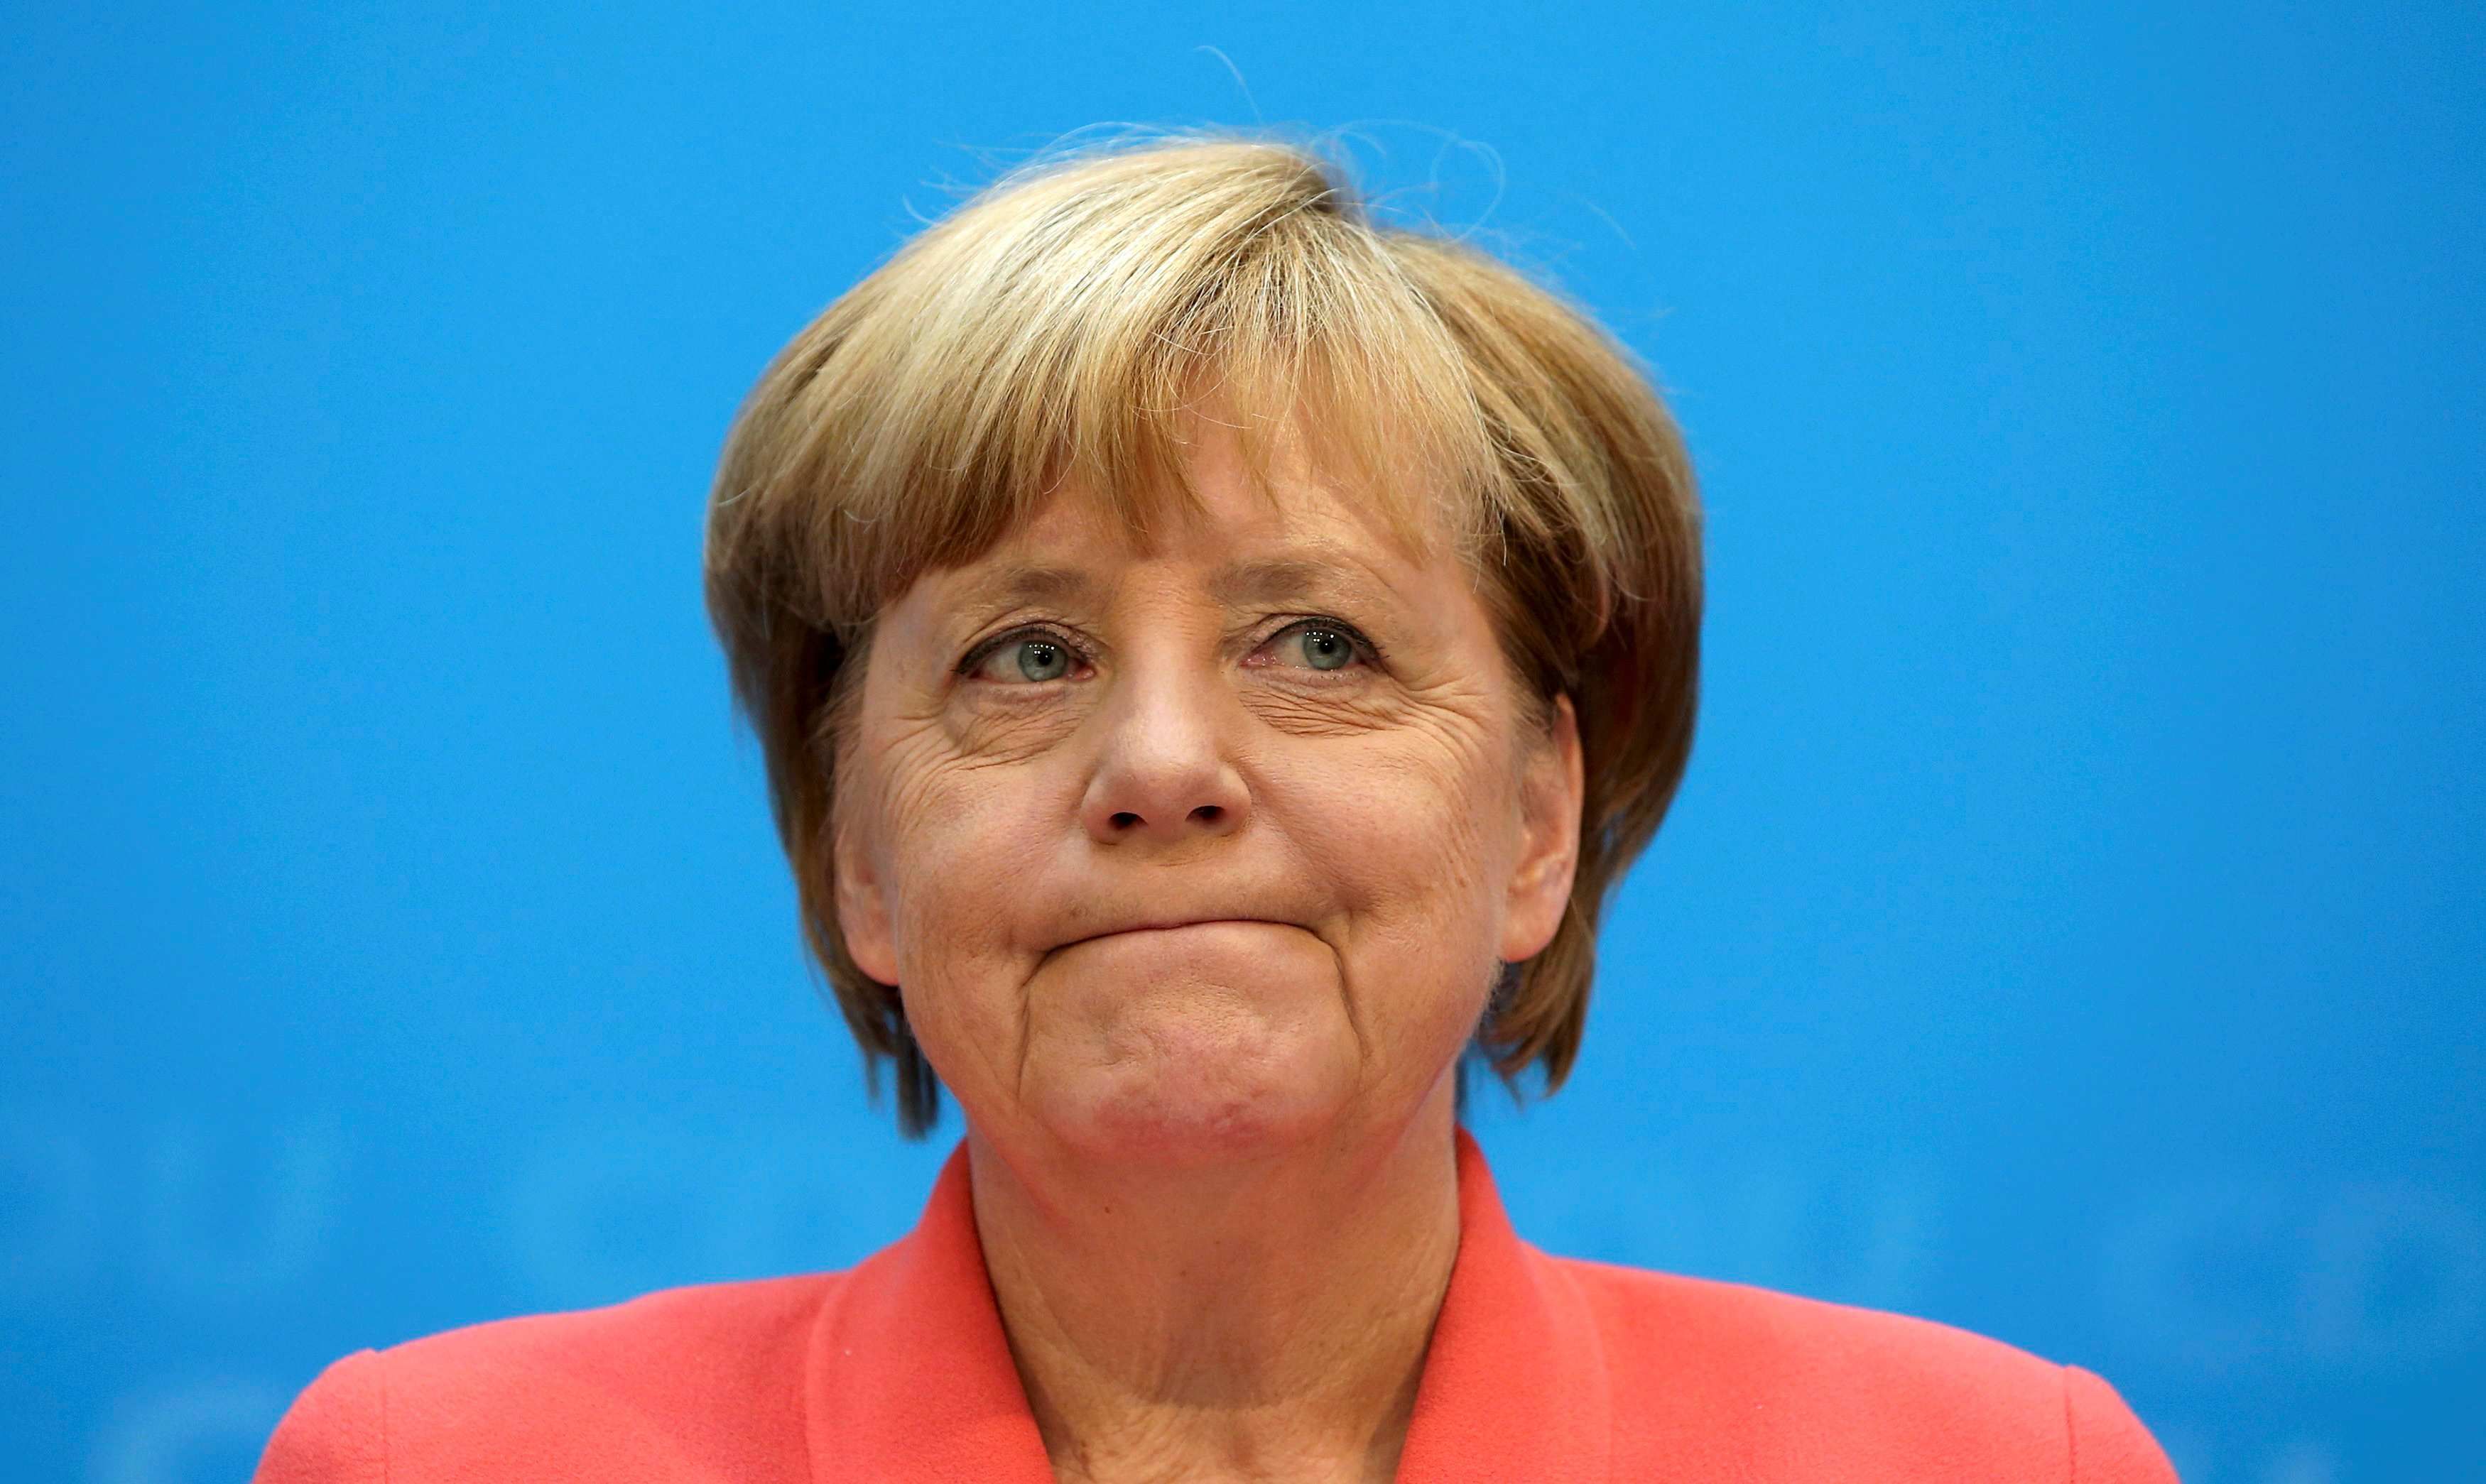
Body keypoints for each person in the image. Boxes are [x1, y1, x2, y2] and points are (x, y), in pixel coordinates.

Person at [254, 131, 2179, 1483]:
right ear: (857, 855)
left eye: (1320, 642)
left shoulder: (2005, 1464)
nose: (1162, 765)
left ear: (1532, 823)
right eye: (1024, 656)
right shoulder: (434, 1463)